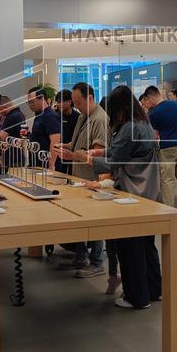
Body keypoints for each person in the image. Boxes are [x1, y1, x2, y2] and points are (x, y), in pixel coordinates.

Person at [88, 85, 162, 309]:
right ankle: (154, 289)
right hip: (149, 192)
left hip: (132, 192)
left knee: (130, 246)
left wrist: (88, 158)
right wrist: (104, 152)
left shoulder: (129, 127)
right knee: (147, 244)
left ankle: (136, 296)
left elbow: (116, 159)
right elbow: (125, 151)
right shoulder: (144, 123)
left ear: (119, 108)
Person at [54, 82, 108, 276]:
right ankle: (80, 256)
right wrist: (66, 146)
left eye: (78, 102)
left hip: (92, 178)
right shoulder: (83, 117)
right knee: (78, 218)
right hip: (78, 177)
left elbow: (95, 153)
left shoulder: (100, 119)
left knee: (95, 221)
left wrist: (73, 155)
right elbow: (77, 143)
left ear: (90, 98)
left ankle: (97, 261)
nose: (75, 106)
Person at [143, 85, 177, 212]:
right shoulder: (176, 105)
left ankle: (170, 209)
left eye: (147, 100)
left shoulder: (154, 113)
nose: (148, 103)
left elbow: (155, 133)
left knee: (167, 180)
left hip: (166, 147)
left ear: (151, 97)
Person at [24, 86, 61, 170]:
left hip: (46, 164)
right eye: (28, 102)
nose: (30, 105)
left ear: (42, 99)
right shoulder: (39, 115)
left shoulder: (50, 116)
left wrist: (51, 164)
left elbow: (55, 142)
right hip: (37, 163)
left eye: (32, 102)